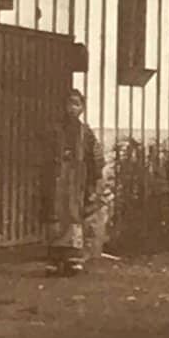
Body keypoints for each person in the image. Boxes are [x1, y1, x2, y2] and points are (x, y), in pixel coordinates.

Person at [46, 89, 103, 276]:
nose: (72, 108)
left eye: (77, 104)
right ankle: (54, 258)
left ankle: (73, 258)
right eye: (69, 103)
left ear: (82, 108)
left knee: (74, 215)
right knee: (55, 215)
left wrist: (94, 180)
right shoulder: (55, 130)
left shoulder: (85, 133)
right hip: (57, 178)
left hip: (78, 179)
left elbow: (95, 157)